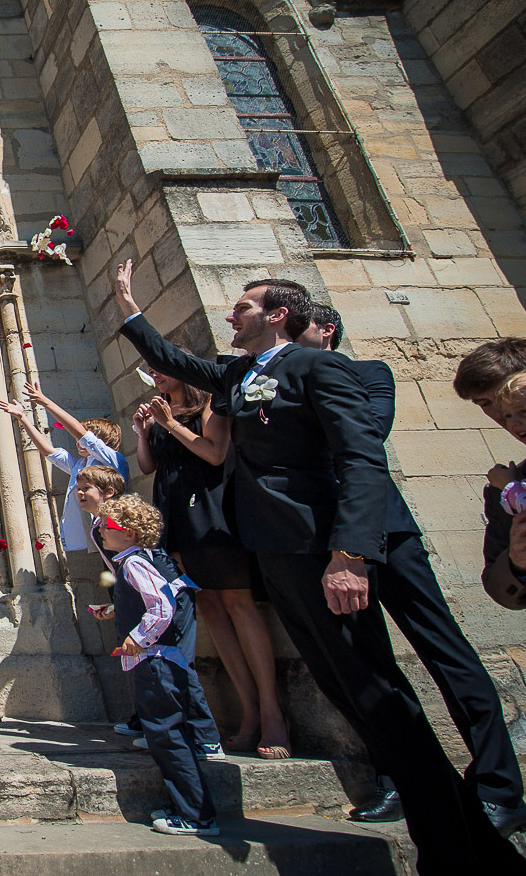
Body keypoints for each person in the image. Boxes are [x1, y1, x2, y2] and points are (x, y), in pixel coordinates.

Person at [112, 259, 523, 872]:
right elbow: (178, 362)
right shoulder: (242, 373)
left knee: (382, 689)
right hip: (279, 550)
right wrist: (127, 301)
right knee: (351, 691)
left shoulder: (320, 367)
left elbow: (360, 457)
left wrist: (349, 552)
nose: (230, 314)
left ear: (279, 314)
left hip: (329, 546)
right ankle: (455, 826)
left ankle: (468, 829)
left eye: (244, 306)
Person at [298, 306, 525, 833]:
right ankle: (404, 779)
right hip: (322, 542)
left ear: (325, 329)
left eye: (297, 329)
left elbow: (365, 436)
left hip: (386, 532)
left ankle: (499, 786)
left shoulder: (369, 371)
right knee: (365, 668)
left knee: (446, 652)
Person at [133, 368, 288, 760]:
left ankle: (272, 714)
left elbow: (214, 452)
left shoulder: (209, 406)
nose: (155, 376)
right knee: (210, 607)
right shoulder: (162, 412)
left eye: (161, 369)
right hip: (175, 513)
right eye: (151, 371)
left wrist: (170, 424)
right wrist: (145, 431)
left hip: (208, 510)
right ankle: (248, 712)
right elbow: (149, 467)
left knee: (238, 603)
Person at [96, 494, 218, 836]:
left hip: (155, 662)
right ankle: (188, 807)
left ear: (130, 532)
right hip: (159, 661)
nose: (102, 531)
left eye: (107, 526)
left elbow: (161, 607)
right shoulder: (138, 559)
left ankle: (197, 815)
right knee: (166, 734)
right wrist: (118, 612)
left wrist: (139, 637)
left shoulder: (133, 562)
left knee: (167, 736)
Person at [0, 384, 128, 554]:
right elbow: (48, 451)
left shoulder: (112, 459)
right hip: (102, 528)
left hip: (119, 527)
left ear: (105, 442)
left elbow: (81, 434)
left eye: (84, 437)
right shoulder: (81, 466)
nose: (78, 440)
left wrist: (45, 402)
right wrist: (22, 418)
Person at [453, 337, 526, 609]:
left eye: (505, 398)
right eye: (486, 403)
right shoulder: (504, 486)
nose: (501, 414)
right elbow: (500, 588)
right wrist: (517, 563)